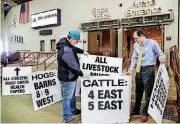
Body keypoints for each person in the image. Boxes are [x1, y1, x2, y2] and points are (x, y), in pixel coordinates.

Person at [126, 29, 166, 122]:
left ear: (142, 36)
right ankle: (136, 110)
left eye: (136, 38)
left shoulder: (152, 43)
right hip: (138, 69)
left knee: (148, 92)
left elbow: (160, 54)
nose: (135, 40)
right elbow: (134, 58)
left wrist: (161, 58)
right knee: (138, 91)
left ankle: (145, 113)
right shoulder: (136, 45)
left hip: (149, 69)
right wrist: (130, 69)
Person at [56, 30, 88, 123]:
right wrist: (82, 74)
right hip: (67, 77)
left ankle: (73, 110)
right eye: (76, 41)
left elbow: (75, 49)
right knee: (67, 98)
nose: (77, 43)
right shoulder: (66, 50)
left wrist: (82, 51)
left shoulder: (66, 43)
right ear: (72, 39)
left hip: (69, 76)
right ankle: (67, 118)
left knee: (71, 95)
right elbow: (73, 65)